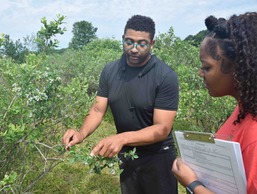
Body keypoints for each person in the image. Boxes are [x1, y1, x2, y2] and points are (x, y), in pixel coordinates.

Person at [62, 15, 179, 194]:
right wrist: (81, 133)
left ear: (152, 44)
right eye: (129, 42)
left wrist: (121, 138)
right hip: (127, 155)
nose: (134, 49)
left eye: (142, 44)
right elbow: (97, 109)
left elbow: (162, 128)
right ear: (123, 39)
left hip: (158, 156)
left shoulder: (165, 76)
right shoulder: (110, 71)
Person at [172, 12, 257, 194]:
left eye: (207, 67)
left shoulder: (254, 135)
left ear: (236, 66)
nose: (200, 74)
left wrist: (193, 184)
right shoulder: (245, 109)